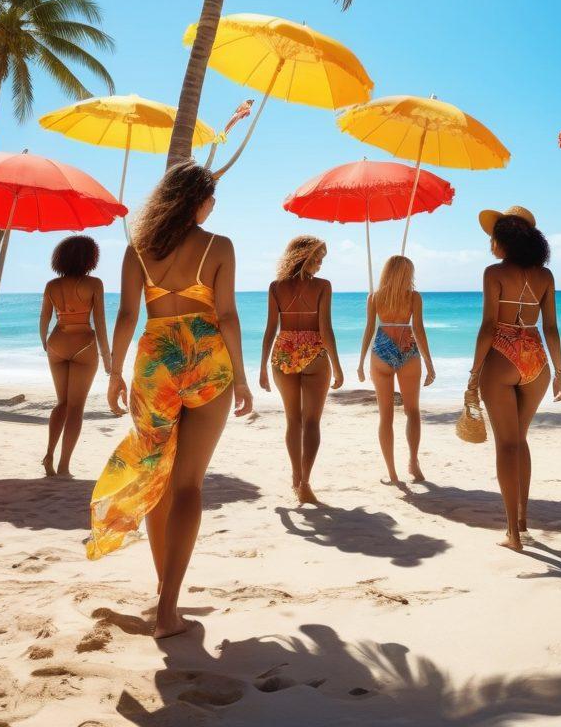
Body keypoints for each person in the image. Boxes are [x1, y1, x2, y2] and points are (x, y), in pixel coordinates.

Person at [86, 161, 253, 640]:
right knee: (189, 486)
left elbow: (125, 314)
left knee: (159, 478)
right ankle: (168, 608)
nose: (214, 204)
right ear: (193, 199)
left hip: (156, 360)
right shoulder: (219, 246)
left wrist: (114, 372)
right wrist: (240, 378)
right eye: (210, 195)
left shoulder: (139, 249)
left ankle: (165, 596)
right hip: (206, 359)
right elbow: (228, 316)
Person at [467, 206, 561, 552]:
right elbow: (551, 327)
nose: (490, 244)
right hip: (535, 358)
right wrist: (560, 372)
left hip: (502, 354)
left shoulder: (493, 273)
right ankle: (523, 521)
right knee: (520, 441)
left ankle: (512, 533)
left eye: (492, 238)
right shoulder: (545, 277)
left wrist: (473, 372)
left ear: (503, 241)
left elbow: (488, 327)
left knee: (506, 445)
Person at [259, 236, 343, 504]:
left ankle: (296, 478)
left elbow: (271, 329)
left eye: (322, 259)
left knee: (293, 420)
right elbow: (325, 329)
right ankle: (305, 481)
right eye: (317, 258)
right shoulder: (323, 287)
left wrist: (262, 366)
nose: (319, 264)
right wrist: (338, 366)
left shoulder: (276, 287)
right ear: (303, 256)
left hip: (283, 352)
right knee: (311, 422)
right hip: (314, 352)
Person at [358, 255, 435, 484]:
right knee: (412, 411)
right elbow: (419, 330)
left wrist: (361, 362)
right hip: (408, 348)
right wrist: (430, 364)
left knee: (386, 416)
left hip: (381, 349)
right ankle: (413, 462)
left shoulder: (375, 298)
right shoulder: (413, 297)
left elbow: (369, 329)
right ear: (406, 273)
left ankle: (392, 474)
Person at [39, 236, 110, 477]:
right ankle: (64, 465)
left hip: (56, 344)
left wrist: (45, 345)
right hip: (83, 345)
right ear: (90, 259)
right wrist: (108, 359)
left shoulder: (52, 286)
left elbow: (44, 320)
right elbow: (99, 324)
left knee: (62, 403)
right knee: (76, 407)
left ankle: (49, 453)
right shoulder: (94, 284)